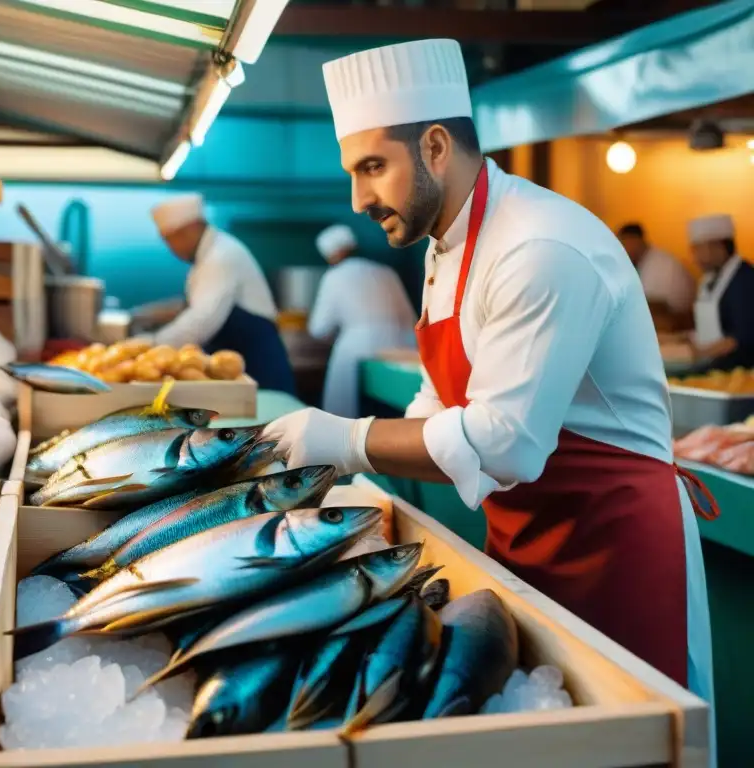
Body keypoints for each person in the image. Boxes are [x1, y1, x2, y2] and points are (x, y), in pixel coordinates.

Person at [262, 37, 716, 748]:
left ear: (436, 146)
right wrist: (356, 465)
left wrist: (345, 441)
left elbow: (503, 441)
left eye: (372, 167)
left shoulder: (540, 247)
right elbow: (438, 403)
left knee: (624, 742)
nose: (358, 198)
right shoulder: (445, 246)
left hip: (613, 545)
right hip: (529, 534)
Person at [134, 193, 296, 394]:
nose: (171, 249)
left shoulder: (221, 256)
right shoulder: (206, 258)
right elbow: (190, 307)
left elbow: (201, 321)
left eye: (170, 240)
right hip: (238, 375)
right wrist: (145, 315)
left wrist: (152, 345)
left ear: (189, 229)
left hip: (258, 371)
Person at [308, 223, 418, 417]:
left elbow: (318, 328)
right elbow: (411, 318)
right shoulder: (386, 272)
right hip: (401, 347)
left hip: (357, 349)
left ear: (331, 255)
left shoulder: (334, 276)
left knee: (345, 415)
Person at [685, 214, 754, 369]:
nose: (694, 258)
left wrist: (697, 356)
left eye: (698, 249)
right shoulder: (709, 280)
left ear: (718, 247)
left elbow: (741, 337)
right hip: (712, 366)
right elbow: (708, 331)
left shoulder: (745, 280)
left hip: (740, 372)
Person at [616, 222, 695, 331]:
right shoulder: (643, 262)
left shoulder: (662, 263)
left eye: (623, 244)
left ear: (634, 240)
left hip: (674, 325)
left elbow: (657, 306)